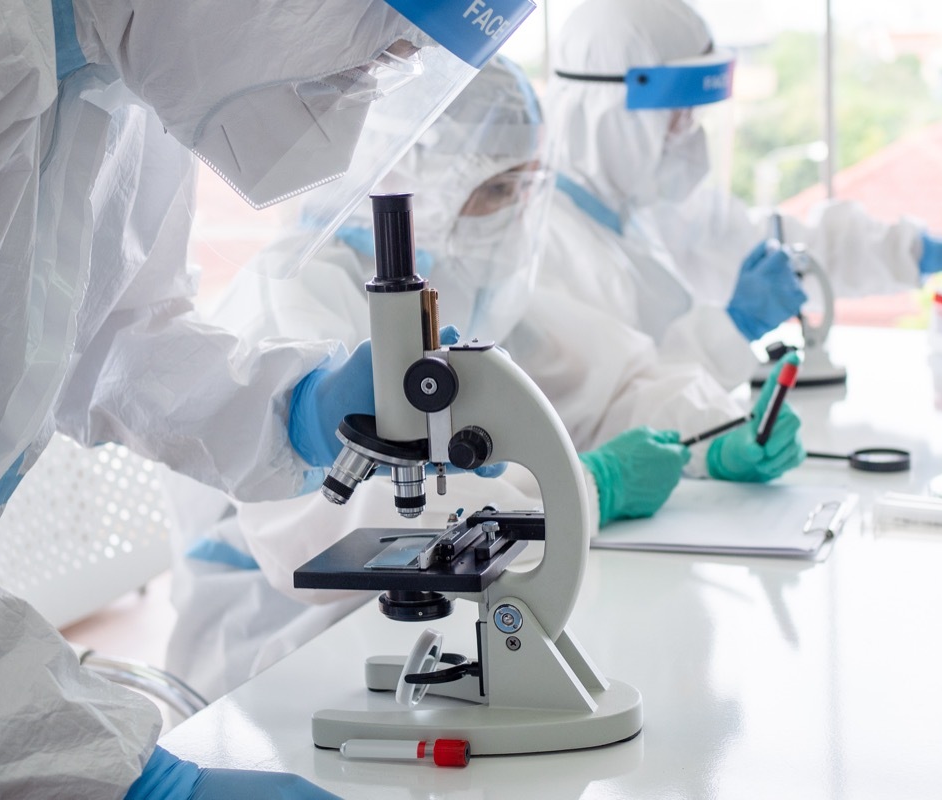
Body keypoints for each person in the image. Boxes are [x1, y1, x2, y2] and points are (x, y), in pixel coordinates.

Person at [0, 0, 535, 797]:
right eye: (382, 38)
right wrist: (124, 779)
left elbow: (110, 335)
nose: (374, 77)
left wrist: (295, 409)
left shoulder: (120, 75)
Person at [164, 56, 714, 700]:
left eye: (527, 188)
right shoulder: (289, 297)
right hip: (275, 652)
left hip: (427, 627)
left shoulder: (469, 283)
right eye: (496, 190)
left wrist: (710, 426)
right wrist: (585, 490)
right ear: (412, 179)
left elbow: (611, 383)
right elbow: (340, 535)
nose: (514, 214)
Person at [535, 0, 942, 398]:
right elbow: (621, 403)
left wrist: (922, 251)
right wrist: (733, 327)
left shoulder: (648, 209)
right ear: (610, 116)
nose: (689, 136)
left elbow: (786, 249)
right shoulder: (546, 248)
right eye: (676, 115)